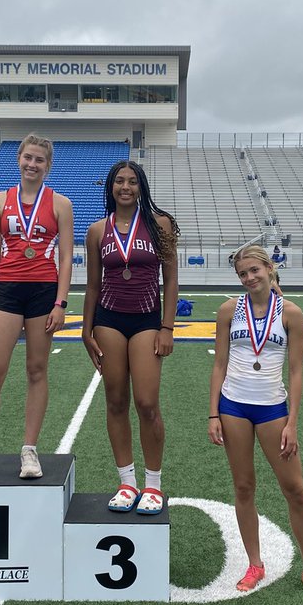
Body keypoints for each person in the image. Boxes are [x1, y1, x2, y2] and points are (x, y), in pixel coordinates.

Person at [208, 245, 303, 597]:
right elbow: (219, 364)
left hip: (273, 409)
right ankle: (254, 563)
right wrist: (213, 412)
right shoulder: (228, 310)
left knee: (295, 489)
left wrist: (292, 422)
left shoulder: (291, 313)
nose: (249, 278)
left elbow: (295, 371)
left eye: (253, 271)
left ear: (268, 268)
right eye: (242, 274)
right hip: (234, 407)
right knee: (244, 487)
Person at [0, 134, 74, 482]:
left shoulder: (61, 204)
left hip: (43, 292)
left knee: (37, 370)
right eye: (27, 158)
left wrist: (61, 302)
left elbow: (68, 256)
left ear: (48, 165)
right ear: (18, 159)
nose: (32, 164)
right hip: (7, 291)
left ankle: (30, 450)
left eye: (39, 159)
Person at [82, 161, 179, 515]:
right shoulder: (96, 231)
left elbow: (170, 280)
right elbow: (93, 285)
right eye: (119, 181)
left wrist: (167, 327)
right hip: (108, 320)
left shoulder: (160, 224)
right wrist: (85, 328)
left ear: (142, 187)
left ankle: (153, 484)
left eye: (132, 181)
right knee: (115, 400)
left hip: (147, 320)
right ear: (110, 186)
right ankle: (126, 482)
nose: (126, 186)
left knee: (147, 402)